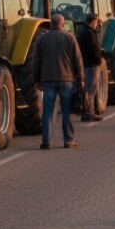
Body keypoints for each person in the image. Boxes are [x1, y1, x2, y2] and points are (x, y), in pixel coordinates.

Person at [34, 13, 85, 149]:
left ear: (51, 24)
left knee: (48, 111)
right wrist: (81, 78)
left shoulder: (41, 39)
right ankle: (68, 140)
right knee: (66, 111)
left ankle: (47, 141)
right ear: (62, 24)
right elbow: (78, 60)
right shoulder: (70, 38)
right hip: (67, 80)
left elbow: (36, 61)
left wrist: (37, 79)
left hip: (48, 80)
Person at [77, 13, 103, 122]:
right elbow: (94, 49)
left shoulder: (81, 31)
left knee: (87, 89)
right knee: (90, 90)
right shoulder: (89, 33)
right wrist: (99, 60)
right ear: (93, 22)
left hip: (84, 63)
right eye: (96, 22)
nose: (96, 25)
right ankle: (89, 112)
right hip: (91, 65)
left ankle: (87, 112)